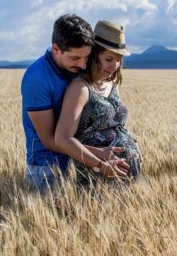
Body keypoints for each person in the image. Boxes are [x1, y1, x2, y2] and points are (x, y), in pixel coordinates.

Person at [21, 14, 129, 192]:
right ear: (56, 49)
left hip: (81, 163)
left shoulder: (77, 67)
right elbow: (49, 140)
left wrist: (122, 138)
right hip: (49, 168)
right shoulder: (37, 79)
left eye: (86, 57)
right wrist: (97, 156)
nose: (83, 65)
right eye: (75, 58)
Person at [55, 20, 142, 188]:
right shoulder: (80, 89)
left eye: (118, 60)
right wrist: (100, 165)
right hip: (96, 176)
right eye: (109, 59)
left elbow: (115, 124)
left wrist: (129, 141)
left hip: (125, 175)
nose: (114, 66)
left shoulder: (113, 85)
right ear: (94, 55)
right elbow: (62, 138)